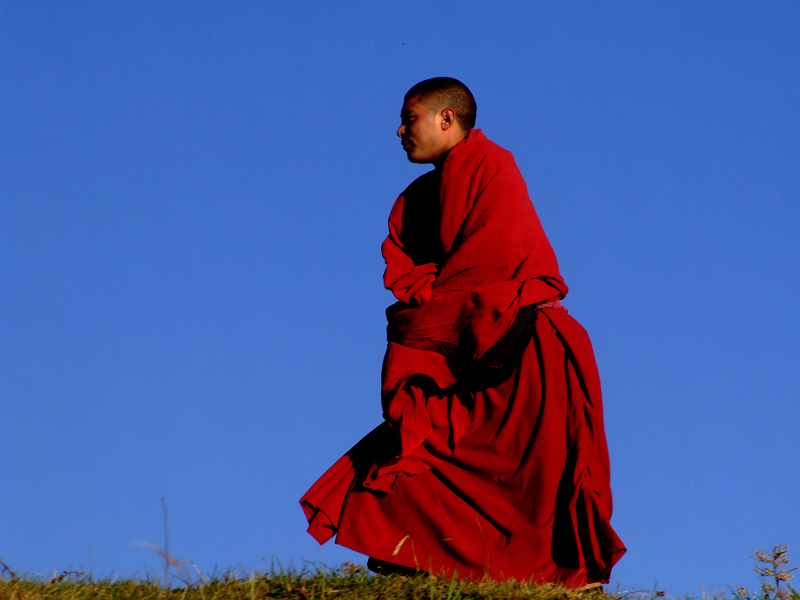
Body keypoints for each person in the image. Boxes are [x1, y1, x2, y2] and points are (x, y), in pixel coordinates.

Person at [300, 77, 625, 586]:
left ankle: (557, 575)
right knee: (424, 443)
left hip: (520, 344)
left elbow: (491, 258)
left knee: (530, 473)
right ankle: (414, 555)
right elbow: (417, 268)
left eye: (410, 119)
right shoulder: (423, 195)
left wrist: (434, 308)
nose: (400, 131)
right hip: (468, 343)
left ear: (446, 119)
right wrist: (430, 305)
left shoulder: (491, 165)